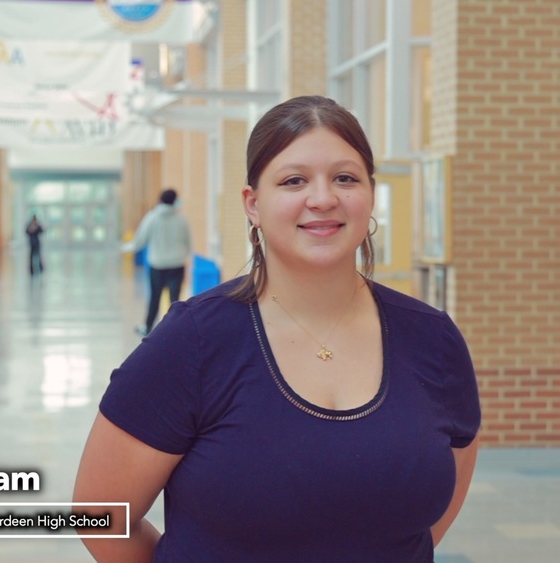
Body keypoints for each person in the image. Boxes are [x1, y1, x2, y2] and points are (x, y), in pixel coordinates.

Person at [74, 96, 481, 562]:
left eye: (345, 178)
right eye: (294, 181)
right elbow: (98, 512)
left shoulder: (432, 340)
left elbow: (431, 519)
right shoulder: (194, 341)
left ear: (370, 194)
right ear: (253, 203)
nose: (323, 198)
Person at [121, 188, 192, 336]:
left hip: (158, 265)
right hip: (177, 264)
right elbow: (188, 242)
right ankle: (175, 329)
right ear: (175, 201)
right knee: (175, 300)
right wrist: (185, 257)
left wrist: (125, 248)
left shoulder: (152, 217)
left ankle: (148, 327)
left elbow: (139, 241)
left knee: (155, 297)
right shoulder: (181, 219)